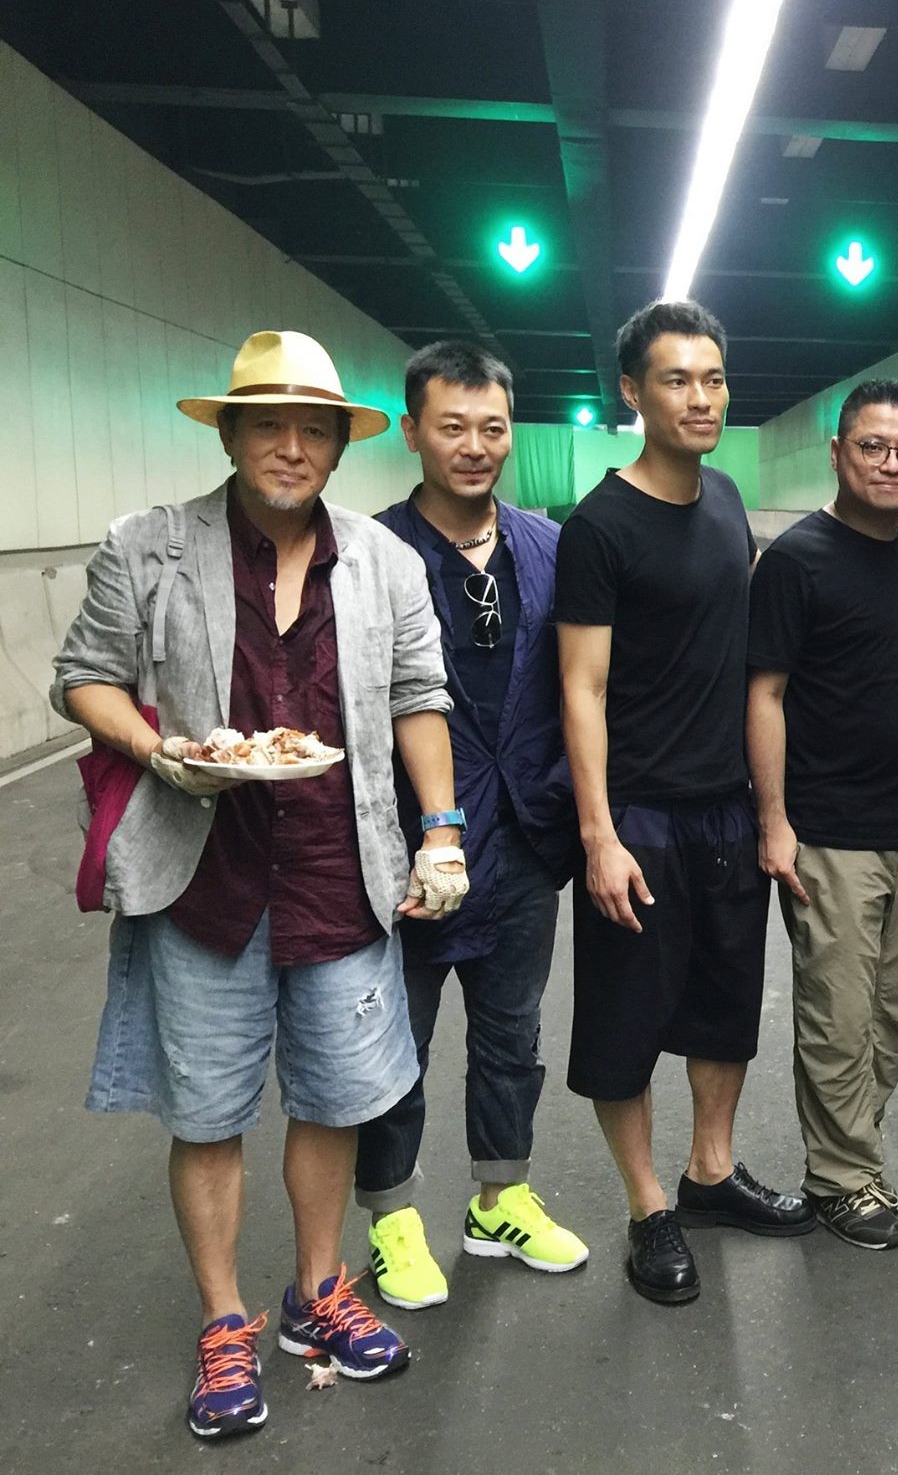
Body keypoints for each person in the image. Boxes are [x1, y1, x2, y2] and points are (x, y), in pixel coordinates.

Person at [52, 329, 470, 1439]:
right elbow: (84, 677)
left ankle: (318, 1291)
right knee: (207, 1112)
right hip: (205, 878)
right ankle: (224, 1321)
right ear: (231, 435)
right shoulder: (148, 545)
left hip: (340, 864)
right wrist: (158, 754)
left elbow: (418, 698)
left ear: (339, 445)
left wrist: (442, 834)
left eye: (314, 429)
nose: (292, 446)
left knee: (335, 1096)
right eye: (269, 425)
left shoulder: (384, 562)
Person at [556, 300, 812, 1308]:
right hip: (641, 817)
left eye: (712, 379)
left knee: (723, 1010)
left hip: (724, 810)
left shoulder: (727, 499)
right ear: (633, 391)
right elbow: (581, 689)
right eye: (676, 380)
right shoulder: (600, 526)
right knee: (624, 1026)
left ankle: (710, 1172)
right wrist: (598, 835)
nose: (700, 398)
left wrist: (766, 810)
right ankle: (648, 1205)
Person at [352, 341, 588, 1309]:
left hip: (527, 836)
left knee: (510, 1036)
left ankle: (501, 1198)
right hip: (411, 849)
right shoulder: (369, 552)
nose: (475, 446)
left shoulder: (546, 546)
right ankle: (392, 1220)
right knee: (393, 1048)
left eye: (492, 428)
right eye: (452, 427)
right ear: (412, 432)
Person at [748, 379, 898, 1251]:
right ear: (838, 453)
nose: (891, 463)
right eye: (873, 446)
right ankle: (841, 1177)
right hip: (830, 833)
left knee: (895, 1016)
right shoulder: (798, 560)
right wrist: (774, 821)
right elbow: (765, 695)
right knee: (838, 1018)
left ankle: (849, 1150)